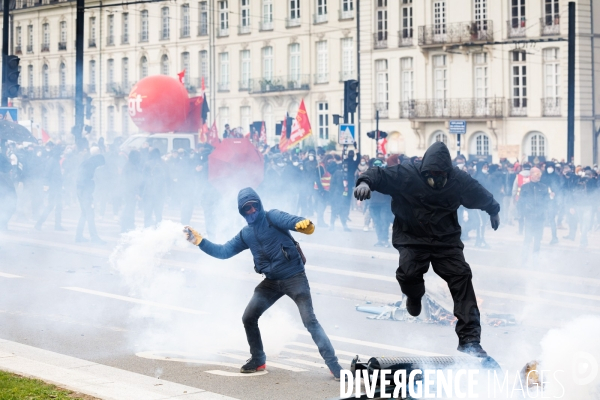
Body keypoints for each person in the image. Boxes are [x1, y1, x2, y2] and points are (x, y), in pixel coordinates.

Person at [354, 142, 500, 358]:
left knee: (462, 279)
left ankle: (470, 341)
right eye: (433, 174)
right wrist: (364, 181)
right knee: (408, 273)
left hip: (446, 242)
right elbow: (379, 174)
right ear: (425, 170)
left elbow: (479, 193)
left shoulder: (458, 179)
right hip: (412, 238)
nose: (438, 178)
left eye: (442, 174)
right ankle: (414, 296)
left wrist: (493, 209)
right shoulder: (406, 173)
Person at [184, 187, 343, 379]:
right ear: (241, 212)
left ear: (259, 205)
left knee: (310, 321)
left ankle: (334, 366)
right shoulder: (246, 234)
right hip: (271, 282)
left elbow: (290, 220)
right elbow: (223, 252)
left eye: (253, 207)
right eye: (246, 209)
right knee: (248, 317)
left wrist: (304, 224)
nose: (251, 212)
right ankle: (258, 359)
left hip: (294, 277)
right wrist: (200, 241)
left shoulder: (272, 216)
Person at [519, 167, 552, 261]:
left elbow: (547, 201)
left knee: (537, 240)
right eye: (536, 174)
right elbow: (521, 202)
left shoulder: (544, 187)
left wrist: (543, 211)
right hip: (529, 217)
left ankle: (535, 258)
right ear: (531, 175)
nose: (539, 177)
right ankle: (524, 258)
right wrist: (523, 213)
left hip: (540, 217)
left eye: (540, 175)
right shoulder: (525, 187)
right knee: (527, 239)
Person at [75, 152, 106, 244]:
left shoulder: (86, 163)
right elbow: (84, 180)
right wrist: (90, 188)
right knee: (90, 214)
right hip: (85, 192)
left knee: (84, 214)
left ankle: (78, 236)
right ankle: (94, 237)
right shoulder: (90, 165)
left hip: (80, 191)